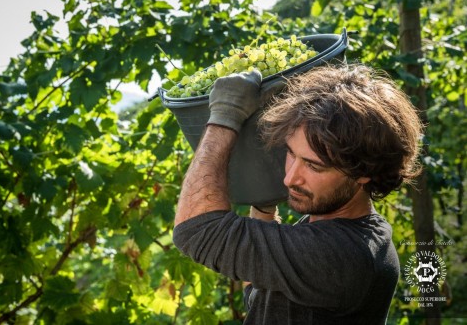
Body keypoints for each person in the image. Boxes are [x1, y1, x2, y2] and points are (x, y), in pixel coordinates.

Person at [172, 63, 423, 324]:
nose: (290, 178)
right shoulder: (338, 226)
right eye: (291, 153)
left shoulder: (340, 256)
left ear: (364, 172)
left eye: (314, 165)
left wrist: (225, 114)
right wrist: (263, 206)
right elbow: (260, 293)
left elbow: (195, 229)